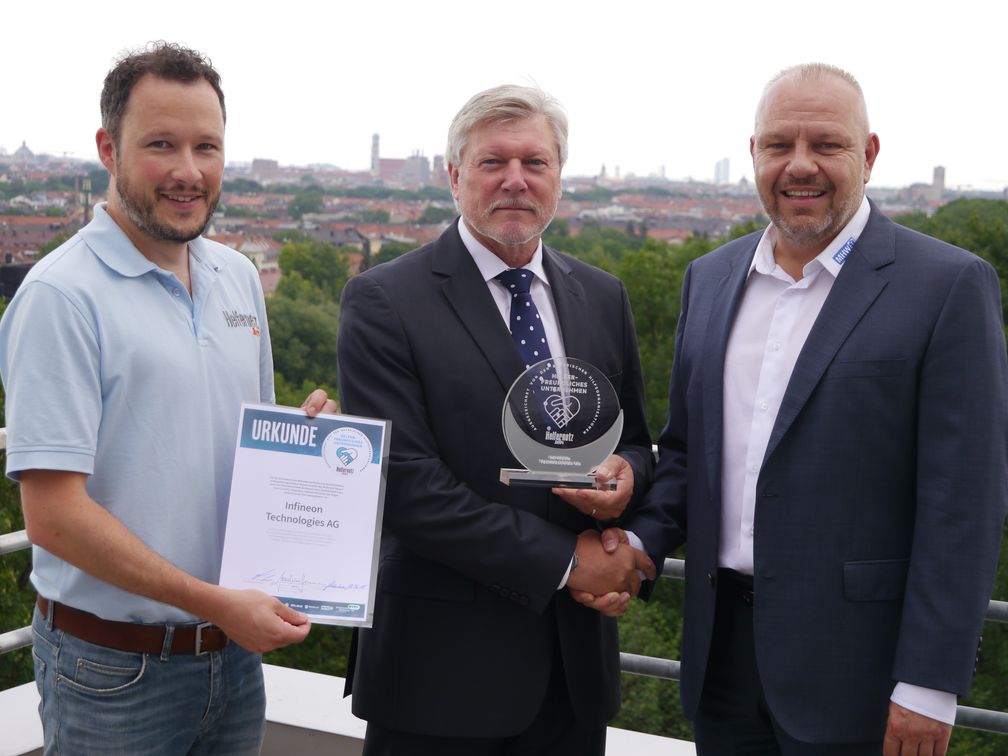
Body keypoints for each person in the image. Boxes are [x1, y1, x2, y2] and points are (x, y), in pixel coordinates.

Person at [580, 63, 1008, 754]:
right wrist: (635, 545)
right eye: (779, 145)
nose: (799, 166)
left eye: (826, 145)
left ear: (867, 155)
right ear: (753, 153)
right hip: (720, 664)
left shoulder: (948, 286)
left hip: (861, 675)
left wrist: (929, 683)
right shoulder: (710, 279)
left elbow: (965, 501)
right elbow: (688, 454)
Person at [0, 42, 314, 754]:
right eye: (161, 145)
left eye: (207, 146)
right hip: (112, 671)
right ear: (108, 148)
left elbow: (237, 446)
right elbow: (53, 517)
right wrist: (215, 603)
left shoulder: (237, 277)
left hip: (231, 659)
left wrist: (304, 446)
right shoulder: (61, 296)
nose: (188, 171)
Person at [332, 84, 656, 755]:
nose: (516, 180)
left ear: (559, 177)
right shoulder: (384, 300)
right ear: (454, 176)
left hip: (574, 678)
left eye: (535, 163)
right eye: (492, 163)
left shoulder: (601, 295)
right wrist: (569, 563)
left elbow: (638, 440)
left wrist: (628, 477)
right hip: (438, 679)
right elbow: (407, 488)